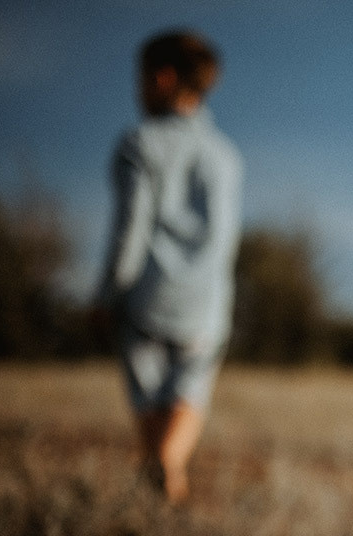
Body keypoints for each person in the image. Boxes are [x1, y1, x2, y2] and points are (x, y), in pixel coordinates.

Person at [94, 30, 243, 503]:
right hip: (206, 303)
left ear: (162, 78)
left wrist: (107, 294)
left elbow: (129, 232)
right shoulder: (225, 157)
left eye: (140, 79)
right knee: (189, 394)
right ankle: (171, 468)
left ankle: (159, 467)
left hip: (146, 298)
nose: (137, 90)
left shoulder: (139, 145)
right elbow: (226, 239)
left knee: (149, 397)